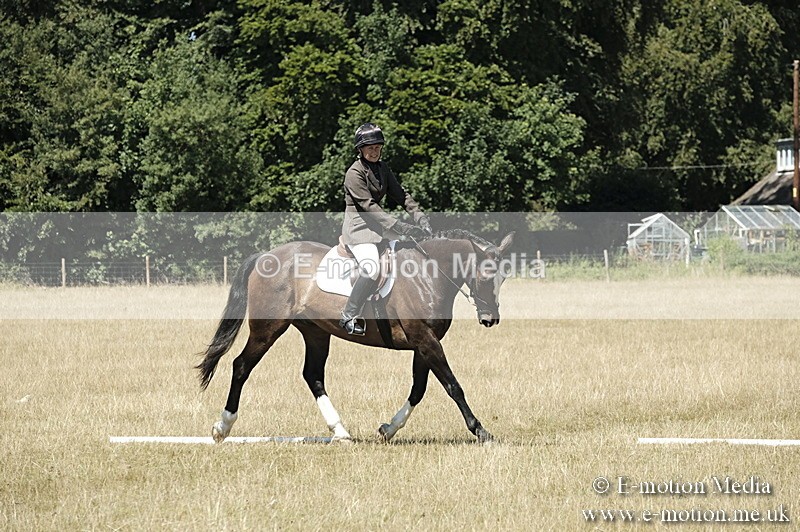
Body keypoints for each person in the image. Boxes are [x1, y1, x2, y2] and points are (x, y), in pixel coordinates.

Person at [339, 122, 432, 335]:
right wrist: (401, 227)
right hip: (359, 230)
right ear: (360, 149)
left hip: (379, 229)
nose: (374, 151)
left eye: (378, 147)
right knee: (372, 268)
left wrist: (420, 218)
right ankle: (349, 315)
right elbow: (368, 206)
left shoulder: (382, 168)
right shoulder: (354, 174)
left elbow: (401, 194)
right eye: (370, 147)